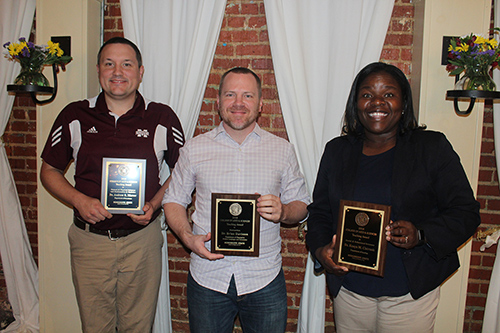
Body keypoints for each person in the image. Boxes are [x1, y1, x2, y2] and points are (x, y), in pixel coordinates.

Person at [306, 62, 480, 332]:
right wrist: (321, 251)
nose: (377, 102)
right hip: (351, 293)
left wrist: (421, 234)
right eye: (367, 94)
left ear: (403, 102)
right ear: (356, 103)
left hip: (409, 295)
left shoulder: (432, 148)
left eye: (388, 94)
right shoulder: (337, 151)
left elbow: (466, 212)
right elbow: (319, 213)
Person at [40, 37, 185, 332]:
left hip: (141, 241)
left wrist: (155, 205)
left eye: (126, 64)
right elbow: (49, 170)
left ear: (140, 72)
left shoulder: (162, 117)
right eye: (109, 64)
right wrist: (79, 201)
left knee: (138, 326)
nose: (117, 71)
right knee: (96, 327)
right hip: (90, 241)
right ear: (98, 70)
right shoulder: (74, 115)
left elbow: (184, 172)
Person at [162, 67, 310, 332]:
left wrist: (284, 211)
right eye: (230, 95)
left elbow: (302, 206)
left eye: (248, 96)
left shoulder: (282, 150)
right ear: (218, 103)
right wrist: (187, 237)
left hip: (263, 278)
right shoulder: (195, 149)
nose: (239, 103)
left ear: (261, 104)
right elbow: (173, 200)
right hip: (208, 278)